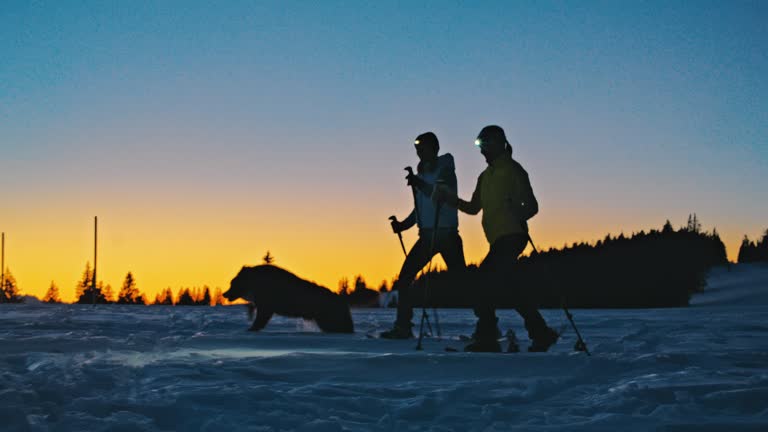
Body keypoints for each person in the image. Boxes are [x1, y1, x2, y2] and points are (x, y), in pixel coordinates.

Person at [433, 125, 559, 352]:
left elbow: (532, 206)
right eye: (481, 146)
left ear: (499, 144)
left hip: (512, 235)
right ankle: (541, 333)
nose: (483, 151)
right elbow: (473, 208)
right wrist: (449, 199)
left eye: (486, 145)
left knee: (484, 282)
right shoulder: (485, 177)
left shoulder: (513, 170)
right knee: (511, 289)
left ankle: (487, 336)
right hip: (497, 239)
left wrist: (517, 211)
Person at [380, 132, 466, 339]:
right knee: (405, 278)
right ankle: (403, 326)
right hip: (427, 236)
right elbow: (420, 209)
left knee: (465, 284)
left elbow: (440, 195)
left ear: (434, 148)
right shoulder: (422, 174)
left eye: (423, 148)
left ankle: (487, 326)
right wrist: (403, 225)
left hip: (447, 235)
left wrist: (420, 184)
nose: (419, 152)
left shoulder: (446, 170)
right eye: (417, 149)